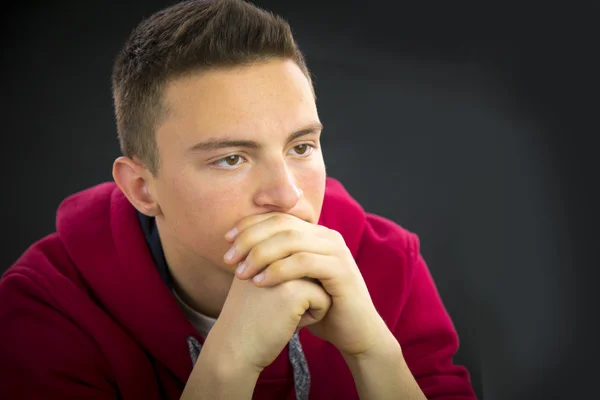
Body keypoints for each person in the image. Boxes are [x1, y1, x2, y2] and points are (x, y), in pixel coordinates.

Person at [0, 0, 476, 399]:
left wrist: (375, 352)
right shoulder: (44, 307)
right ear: (142, 189)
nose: (286, 195)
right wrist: (229, 365)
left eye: (301, 147)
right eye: (231, 158)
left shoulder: (389, 263)